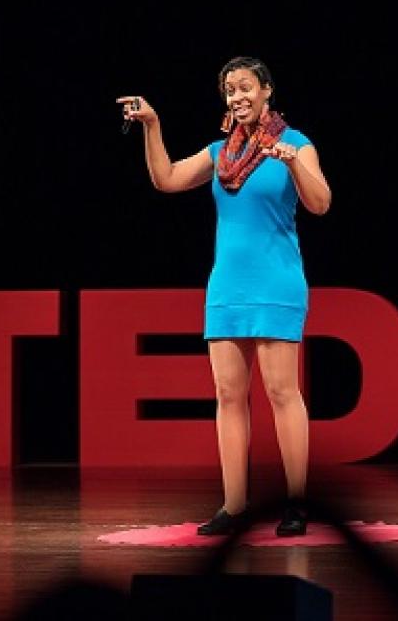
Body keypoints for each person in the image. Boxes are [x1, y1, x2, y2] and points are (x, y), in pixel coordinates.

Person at [117, 56, 331, 537]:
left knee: (281, 392)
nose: (237, 98)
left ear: (267, 91)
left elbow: (321, 203)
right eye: (230, 91)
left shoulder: (296, 145)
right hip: (227, 288)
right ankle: (234, 507)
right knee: (229, 395)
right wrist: (153, 125)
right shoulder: (219, 153)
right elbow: (167, 179)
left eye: (245, 88)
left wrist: (295, 164)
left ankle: (296, 505)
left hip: (277, 284)